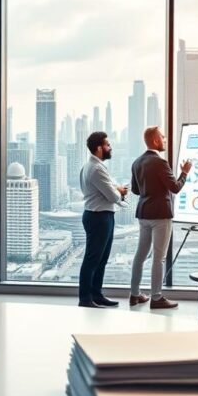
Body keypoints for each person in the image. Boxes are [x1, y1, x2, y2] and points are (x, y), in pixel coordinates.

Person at [129, 126, 192, 309]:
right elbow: (175, 188)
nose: (164, 140)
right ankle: (156, 297)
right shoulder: (160, 163)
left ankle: (134, 295)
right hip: (160, 215)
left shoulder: (137, 162)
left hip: (144, 213)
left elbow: (135, 190)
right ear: (156, 141)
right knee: (159, 257)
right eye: (163, 137)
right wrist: (185, 172)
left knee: (140, 255)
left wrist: (149, 189)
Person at [78, 131, 129, 308]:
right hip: (99, 217)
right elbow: (113, 196)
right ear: (99, 148)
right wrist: (120, 192)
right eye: (107, 144)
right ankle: (85, 299)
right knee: (93, 259)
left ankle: (96, 295)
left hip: (98, 215)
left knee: (101, 259)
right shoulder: (97, 168)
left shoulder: (89, 166)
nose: (110, 147)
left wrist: (116, 190)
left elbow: (107, 189)